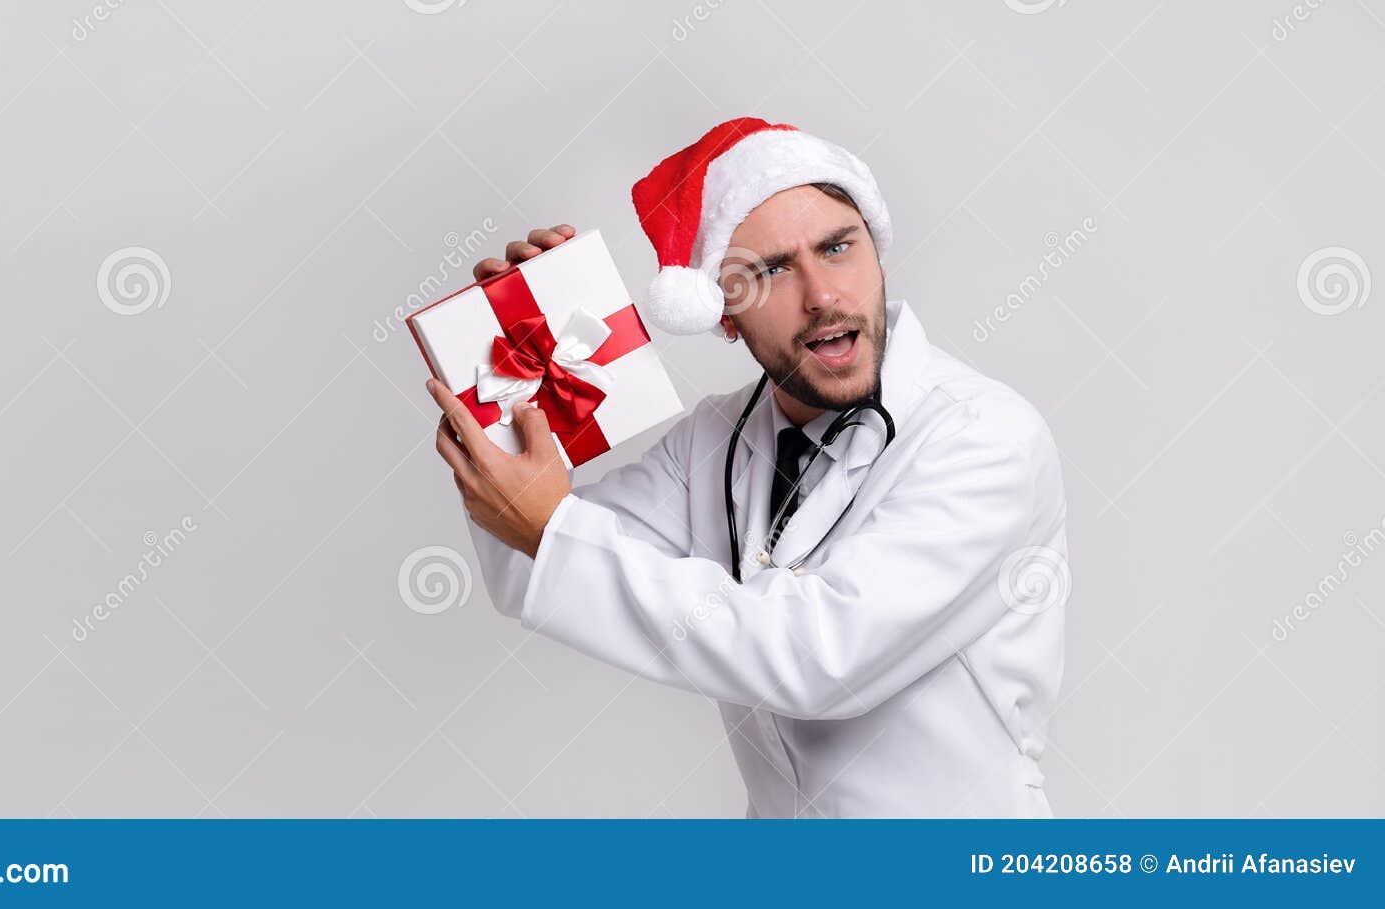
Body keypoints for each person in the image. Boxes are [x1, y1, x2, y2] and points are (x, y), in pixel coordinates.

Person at [425, 117, 1069, 818]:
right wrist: (520, 394)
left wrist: (551, 523)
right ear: (723, 314)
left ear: (877, 256)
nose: (822, 293)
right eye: (768, 270)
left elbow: (822, 658)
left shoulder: (983, 438)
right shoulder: (715, 437)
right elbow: (533, 564)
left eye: (837, 247)